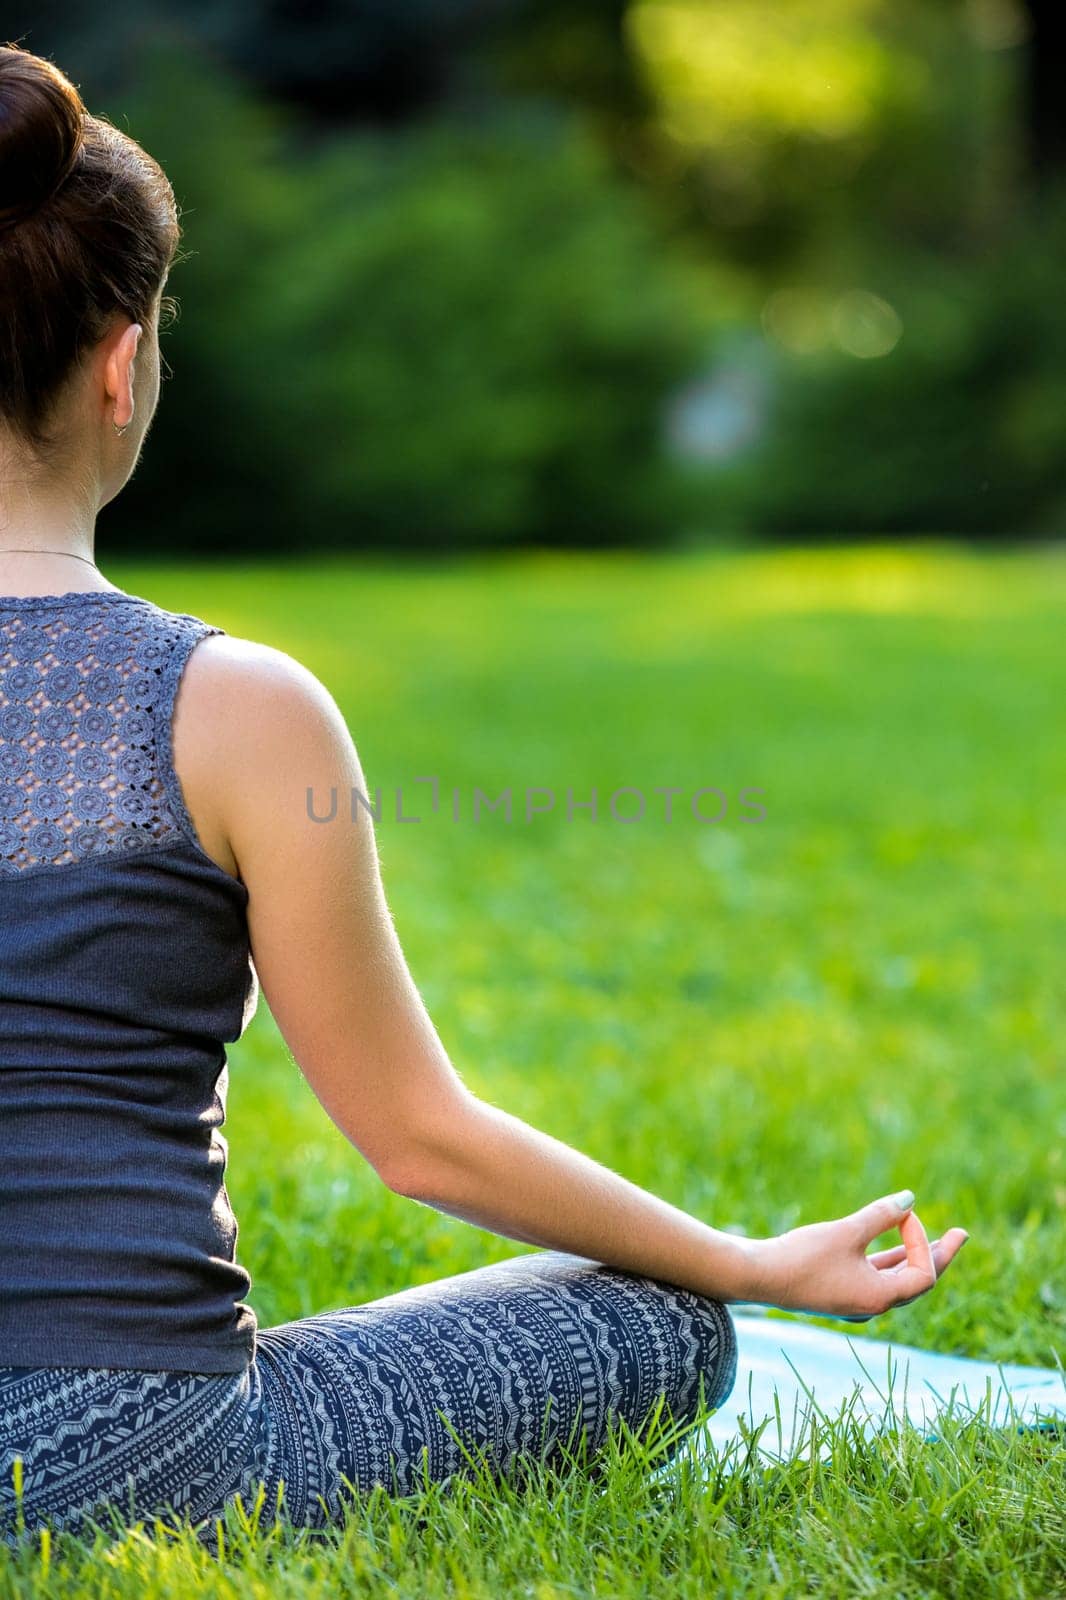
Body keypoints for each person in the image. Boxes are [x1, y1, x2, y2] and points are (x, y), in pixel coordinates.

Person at [0, 42, 970, 1550]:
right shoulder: (232, 708)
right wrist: (747, 1262)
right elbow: (418, 1138)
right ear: (122, 361)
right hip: (140, 1454)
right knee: (665, 1325)